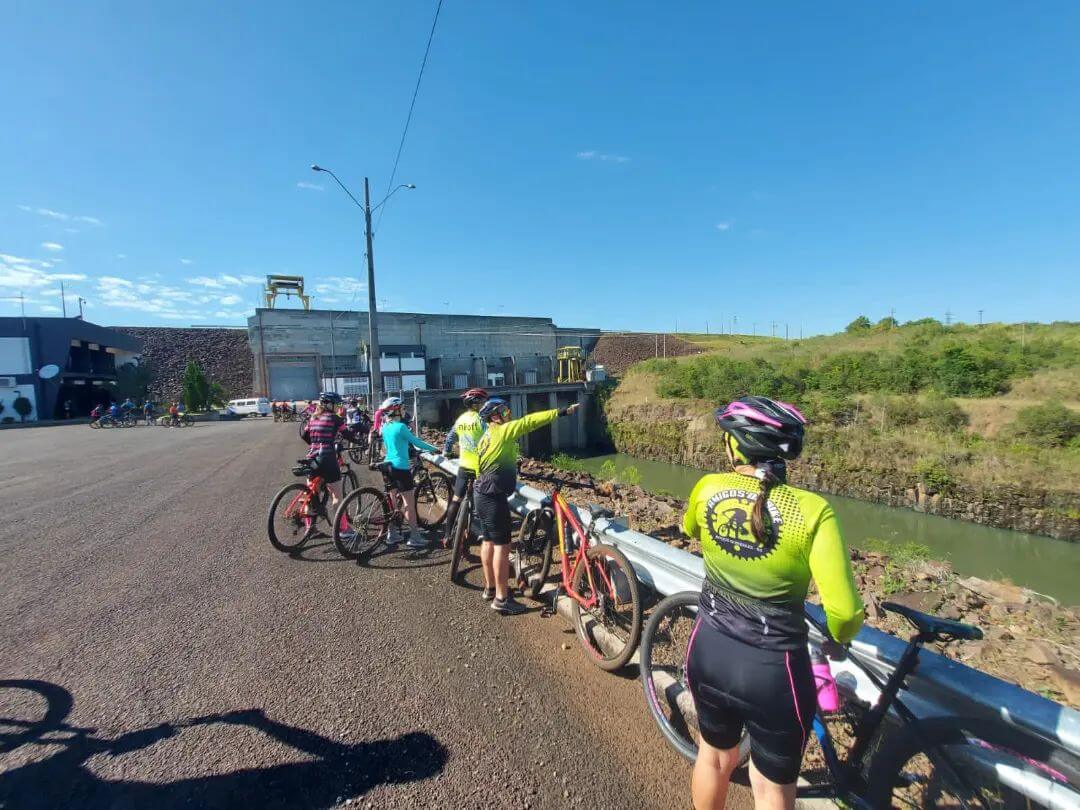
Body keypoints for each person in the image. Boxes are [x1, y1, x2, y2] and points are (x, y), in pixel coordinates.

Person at [681, 397, 864, 810]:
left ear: (737, 446)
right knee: (770, 786)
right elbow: (845, 610)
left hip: (709, 650)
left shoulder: (708, 488)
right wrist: (837, 639)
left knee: (713, 757)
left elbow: (689, 528)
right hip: (775, 670)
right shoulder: (814, 511)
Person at [475, 397, 580, 614]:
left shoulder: (485, 437)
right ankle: (502, 600)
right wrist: (560, 412)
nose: (508, 413)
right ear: (494, 416)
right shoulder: (501, 431)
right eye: (503, 410)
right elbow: (529, 421)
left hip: (480, 493)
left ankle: (490, 588)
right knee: (501, 547)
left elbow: (481, 466)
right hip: (493, 496)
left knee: (487, 541)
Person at [378, 397, 439, 550]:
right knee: (408, 504)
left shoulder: (385, 427)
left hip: (387, 466)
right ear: (397, 410)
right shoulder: (400, 427)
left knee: (392, 502)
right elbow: (416, 442)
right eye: (402, 408)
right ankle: (415, 537)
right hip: (401, 467)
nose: (404, 410)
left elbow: (389, 446)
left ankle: (392, 534)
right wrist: (434, 448)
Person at [441, 388, 488, 546]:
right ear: (478, 404)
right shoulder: (482, 420)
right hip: (480, 467)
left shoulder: (461, 419)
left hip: (464, 465)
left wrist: (446, 452)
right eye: (483, 402)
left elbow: (450, 437)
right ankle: (482, 532)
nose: (484, 404)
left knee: (456, 499)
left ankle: (447, 535)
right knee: (482, 500)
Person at [300, 392, 351, 518]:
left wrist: (315, 443)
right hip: (327, 457)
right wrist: (360, 441)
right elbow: (347, 435)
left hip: (312, 456)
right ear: (329, 404)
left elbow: (304, 435)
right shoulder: (335, 418)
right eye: (336, 404)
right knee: (337, 496)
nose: (338, 406)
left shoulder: (313, 417)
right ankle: (343, 530)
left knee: (312, 491)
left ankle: (310, 525)